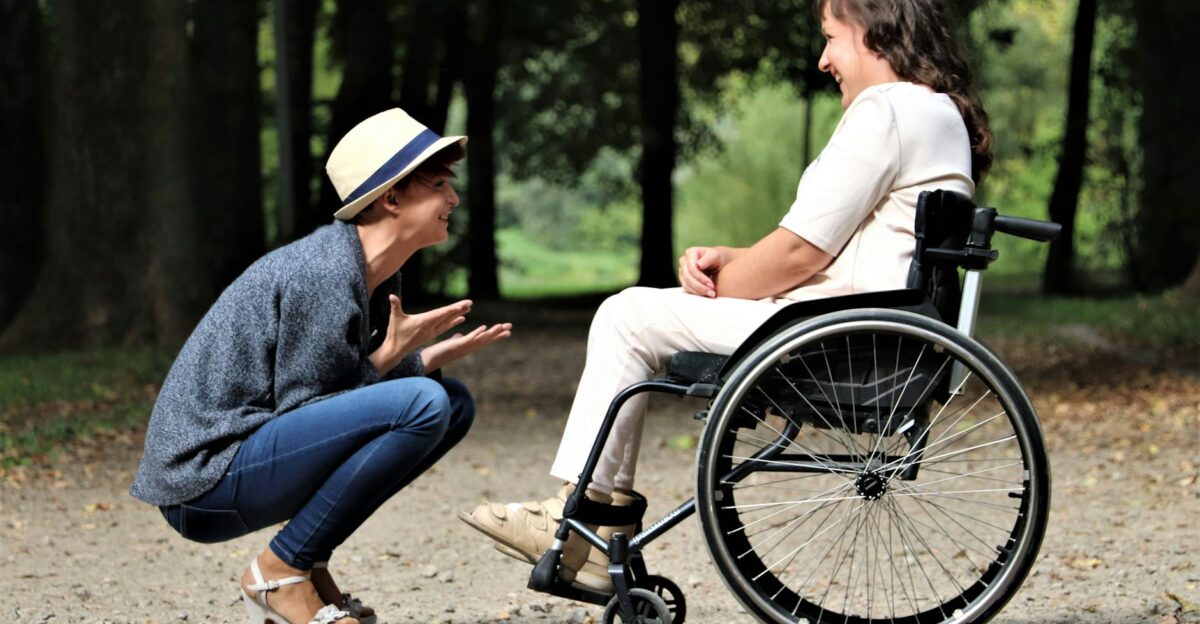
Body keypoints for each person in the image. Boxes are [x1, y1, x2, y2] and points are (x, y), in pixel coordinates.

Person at [460, 0, 991, 594]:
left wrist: (721, 289)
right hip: (874, 324)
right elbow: (836, 248)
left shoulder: (885, 110)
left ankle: (581, 523)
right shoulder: (936, 113)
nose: (822, 59)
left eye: (830, 38)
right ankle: (587, 518)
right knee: (639, 315)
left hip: (837, 335)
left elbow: (799, 256)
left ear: (873, 33)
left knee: (627, 315)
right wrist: (734, 262)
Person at [131, 108, 512, 624]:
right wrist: (394, 359)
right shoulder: (324, 272)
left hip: (248, 456)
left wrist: (419, 359)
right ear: (391, 197)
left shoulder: (373, 273)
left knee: (452, 402)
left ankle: (303, 560)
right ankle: (280, 572)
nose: (453, 199)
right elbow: (312, 408)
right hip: (203, 480)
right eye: (440, 184)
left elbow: (334, 400)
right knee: (424, 402)